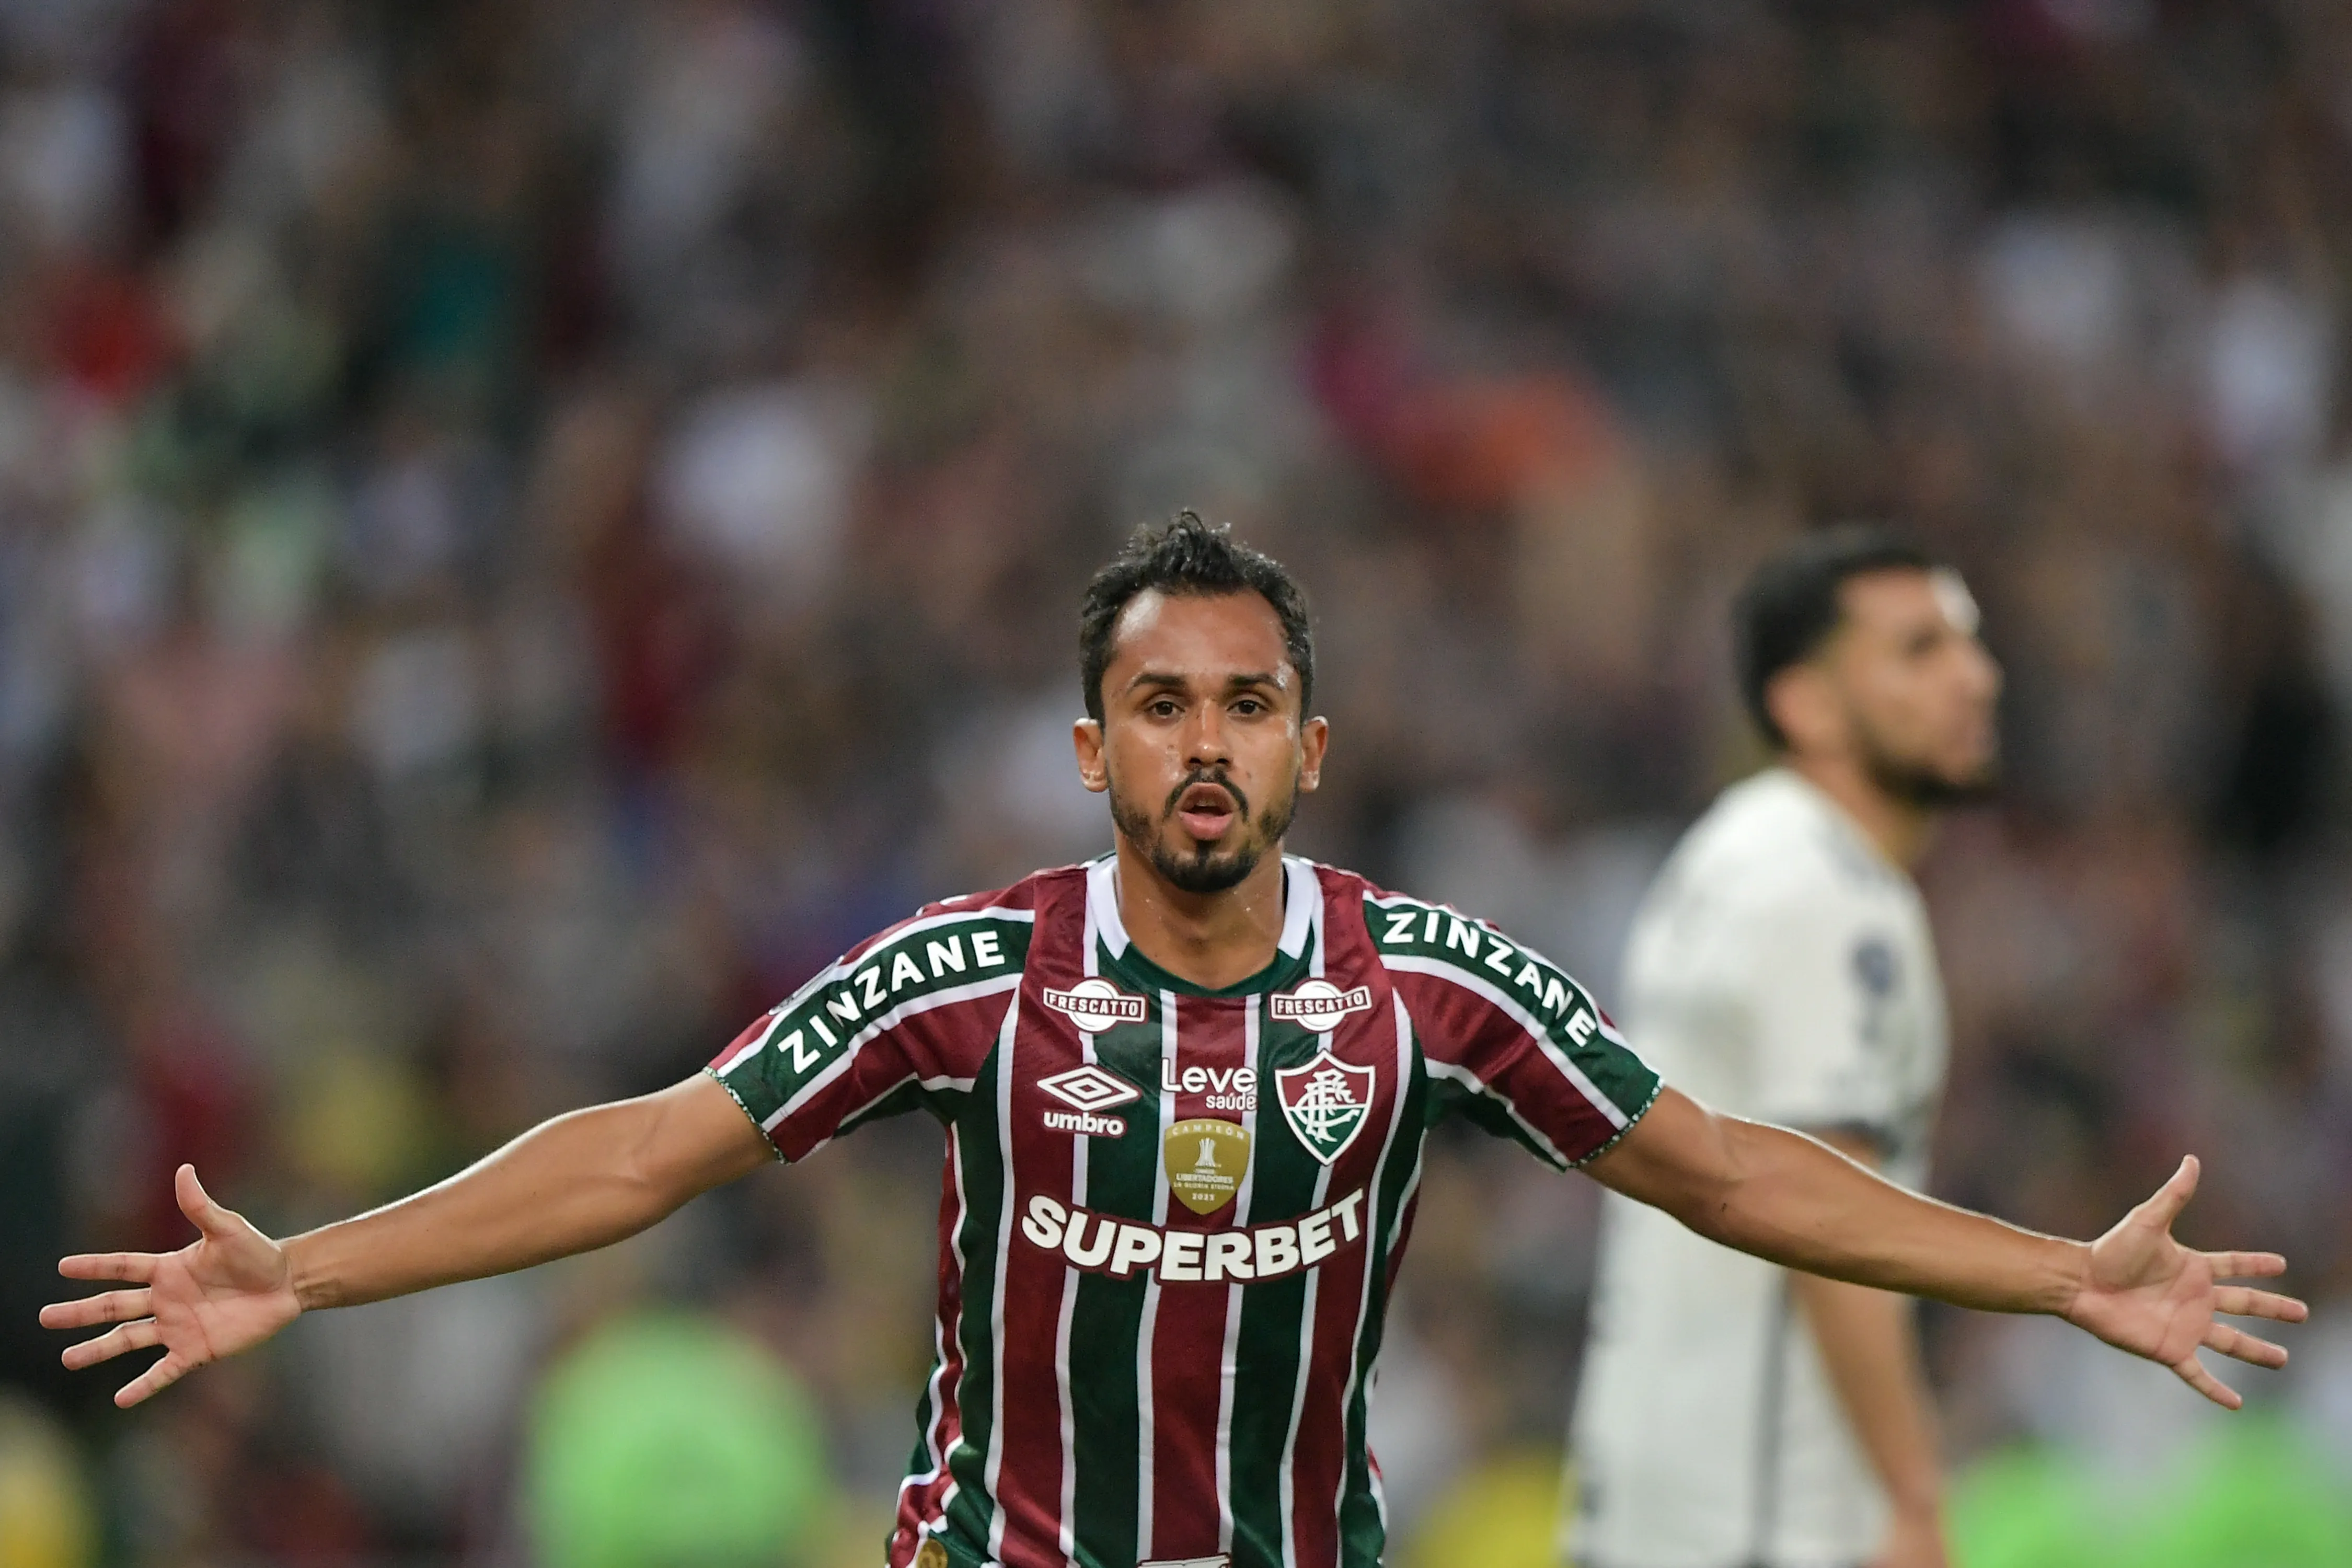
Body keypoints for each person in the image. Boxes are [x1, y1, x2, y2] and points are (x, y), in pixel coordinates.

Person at [43, 514, 2303, 1568]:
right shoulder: (968, 976)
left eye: (1242, 705)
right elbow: (650, 1148)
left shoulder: (1427, 983)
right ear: (1090, 746)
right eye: (1159, 705)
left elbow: (1728, 1168)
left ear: (1309, 747)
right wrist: (307, 1267)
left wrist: (2061, 1271)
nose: (1201, 745)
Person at [1569, 528, 2000, 1568]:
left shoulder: (1730, 854)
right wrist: (1914, 1495)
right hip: (1764, 1512)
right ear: (1804, 703)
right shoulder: (1829, 897)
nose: (1976, 678)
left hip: (1653, 1489)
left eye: (1968, 643)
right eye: (1918, 650)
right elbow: (1830, 1221)